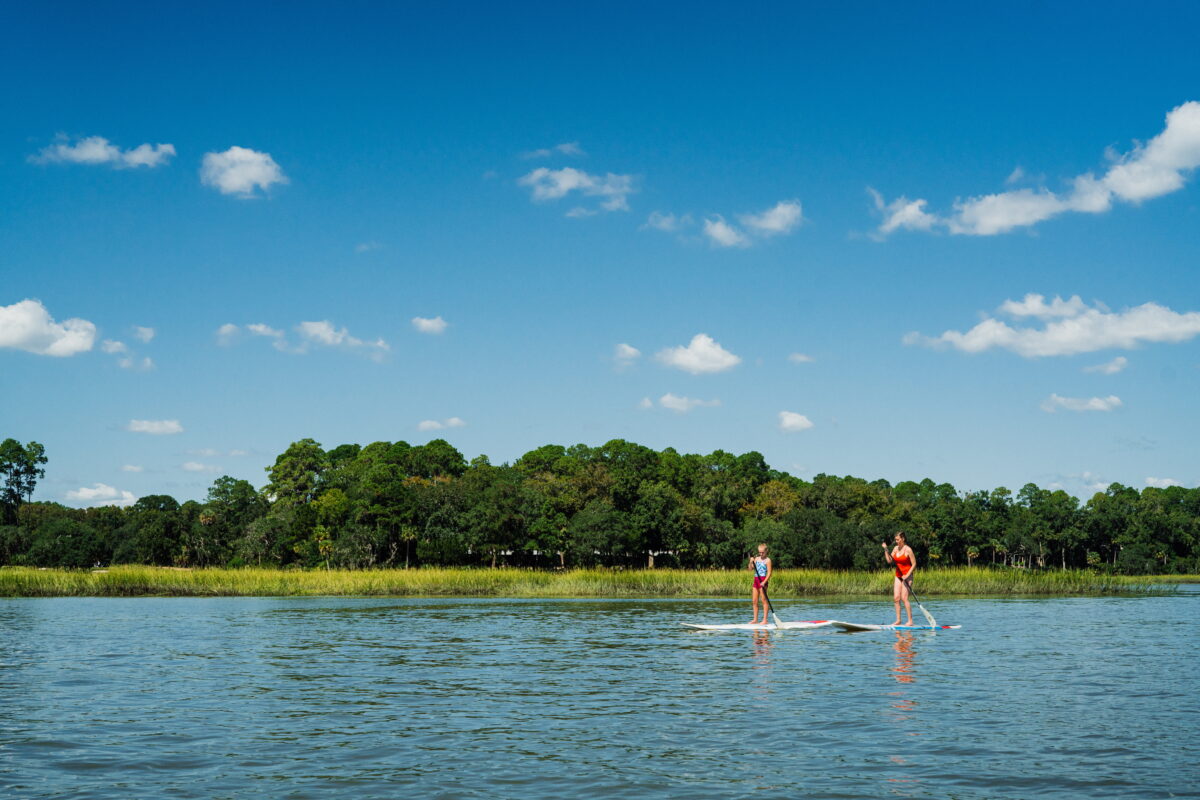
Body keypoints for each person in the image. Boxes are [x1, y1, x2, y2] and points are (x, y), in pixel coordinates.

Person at [882, 531, 916, 626]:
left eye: (898, 539)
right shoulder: (895, 548)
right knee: (896, 598)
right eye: (895, 539)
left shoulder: (908, 549)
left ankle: (910, 621)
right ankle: (898, 620)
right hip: (898, 575)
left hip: (907, 575)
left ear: (903, 539)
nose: (896, 541)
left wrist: (907, 575)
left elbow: (914, 564)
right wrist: (885, 549)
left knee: (904, 598)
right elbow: (889, 560)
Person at [748, 543, 772, 624]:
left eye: (762, 552)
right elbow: (750, 569)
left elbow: (769, 573)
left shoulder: (768, 560)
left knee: (764, 600)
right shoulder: (757, 559)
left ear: (766, 551)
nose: (761, 554)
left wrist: (764, 582)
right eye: (759, 552)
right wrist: (751, 562)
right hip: (756, 580)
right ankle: (755, 619)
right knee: (754, 601)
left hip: (763, 580)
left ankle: (765, 620)